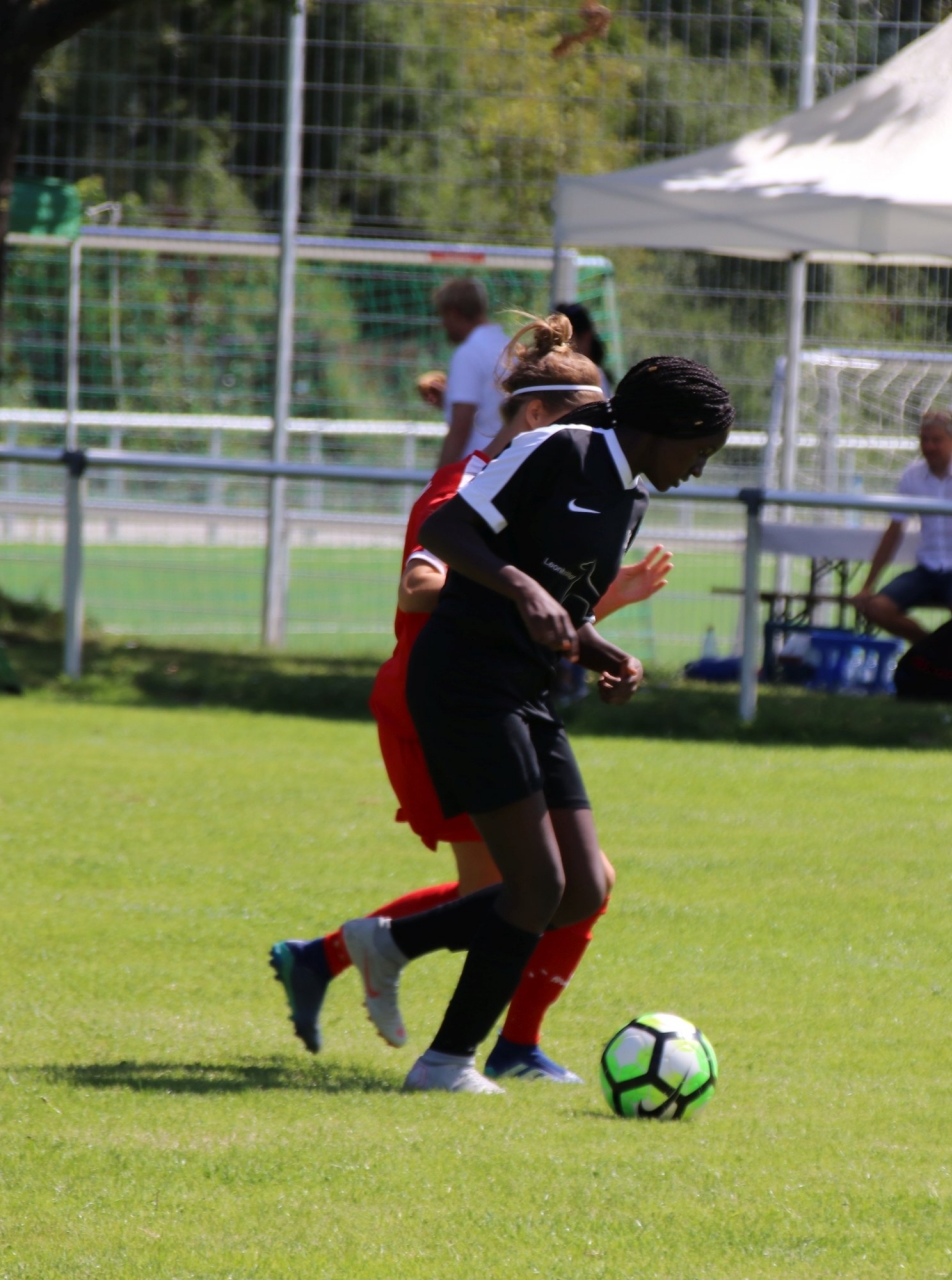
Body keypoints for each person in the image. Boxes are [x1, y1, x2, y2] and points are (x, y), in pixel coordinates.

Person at [269, 314, 673, 1083]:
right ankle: (363, 969)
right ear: (536, 414)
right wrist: (525, 591)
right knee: (521, 890)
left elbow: (543, 609)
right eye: (587, 418)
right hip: (438, 701)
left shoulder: (574, 484)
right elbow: (421, 584)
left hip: (501, 693)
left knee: (565, 885)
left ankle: (491, 1033)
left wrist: (597, 608)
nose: (599, 436)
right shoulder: (469, 483)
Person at [340, 355, 733, 1095]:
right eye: (699, 451)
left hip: (524, 690)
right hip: (462, 680)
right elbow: (447, 530)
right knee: (536, 884)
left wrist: (607, 655)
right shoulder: (558, 449)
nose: (698, 469)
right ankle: (446, 1062)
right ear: (664, 428)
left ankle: (391, 942)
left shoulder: (630, 499)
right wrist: (520, 586)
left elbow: (565, 612)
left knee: (580, 887)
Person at [853, 408, 952, 645]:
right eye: (924, 440)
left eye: (937, 440)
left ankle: (938, 656)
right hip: (928, 570)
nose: (929, 447)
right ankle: (932, 648)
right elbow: (893, 532)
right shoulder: (912, 474)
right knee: (876, 607)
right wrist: (867, 587)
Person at [414, 278, 513, 467]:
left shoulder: (468, 353)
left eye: (442, 316)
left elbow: (461, 426)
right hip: (504, 464)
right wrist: (448, 401)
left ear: (453, 313)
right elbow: (491, 410)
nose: (442, 324)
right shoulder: (507, 345)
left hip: (475, 467)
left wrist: (440, 479)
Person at [553, 301, 614, 396]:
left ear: (586, 337)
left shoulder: (594, 379)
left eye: (562, 341)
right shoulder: (550, 378)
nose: (556, 349)